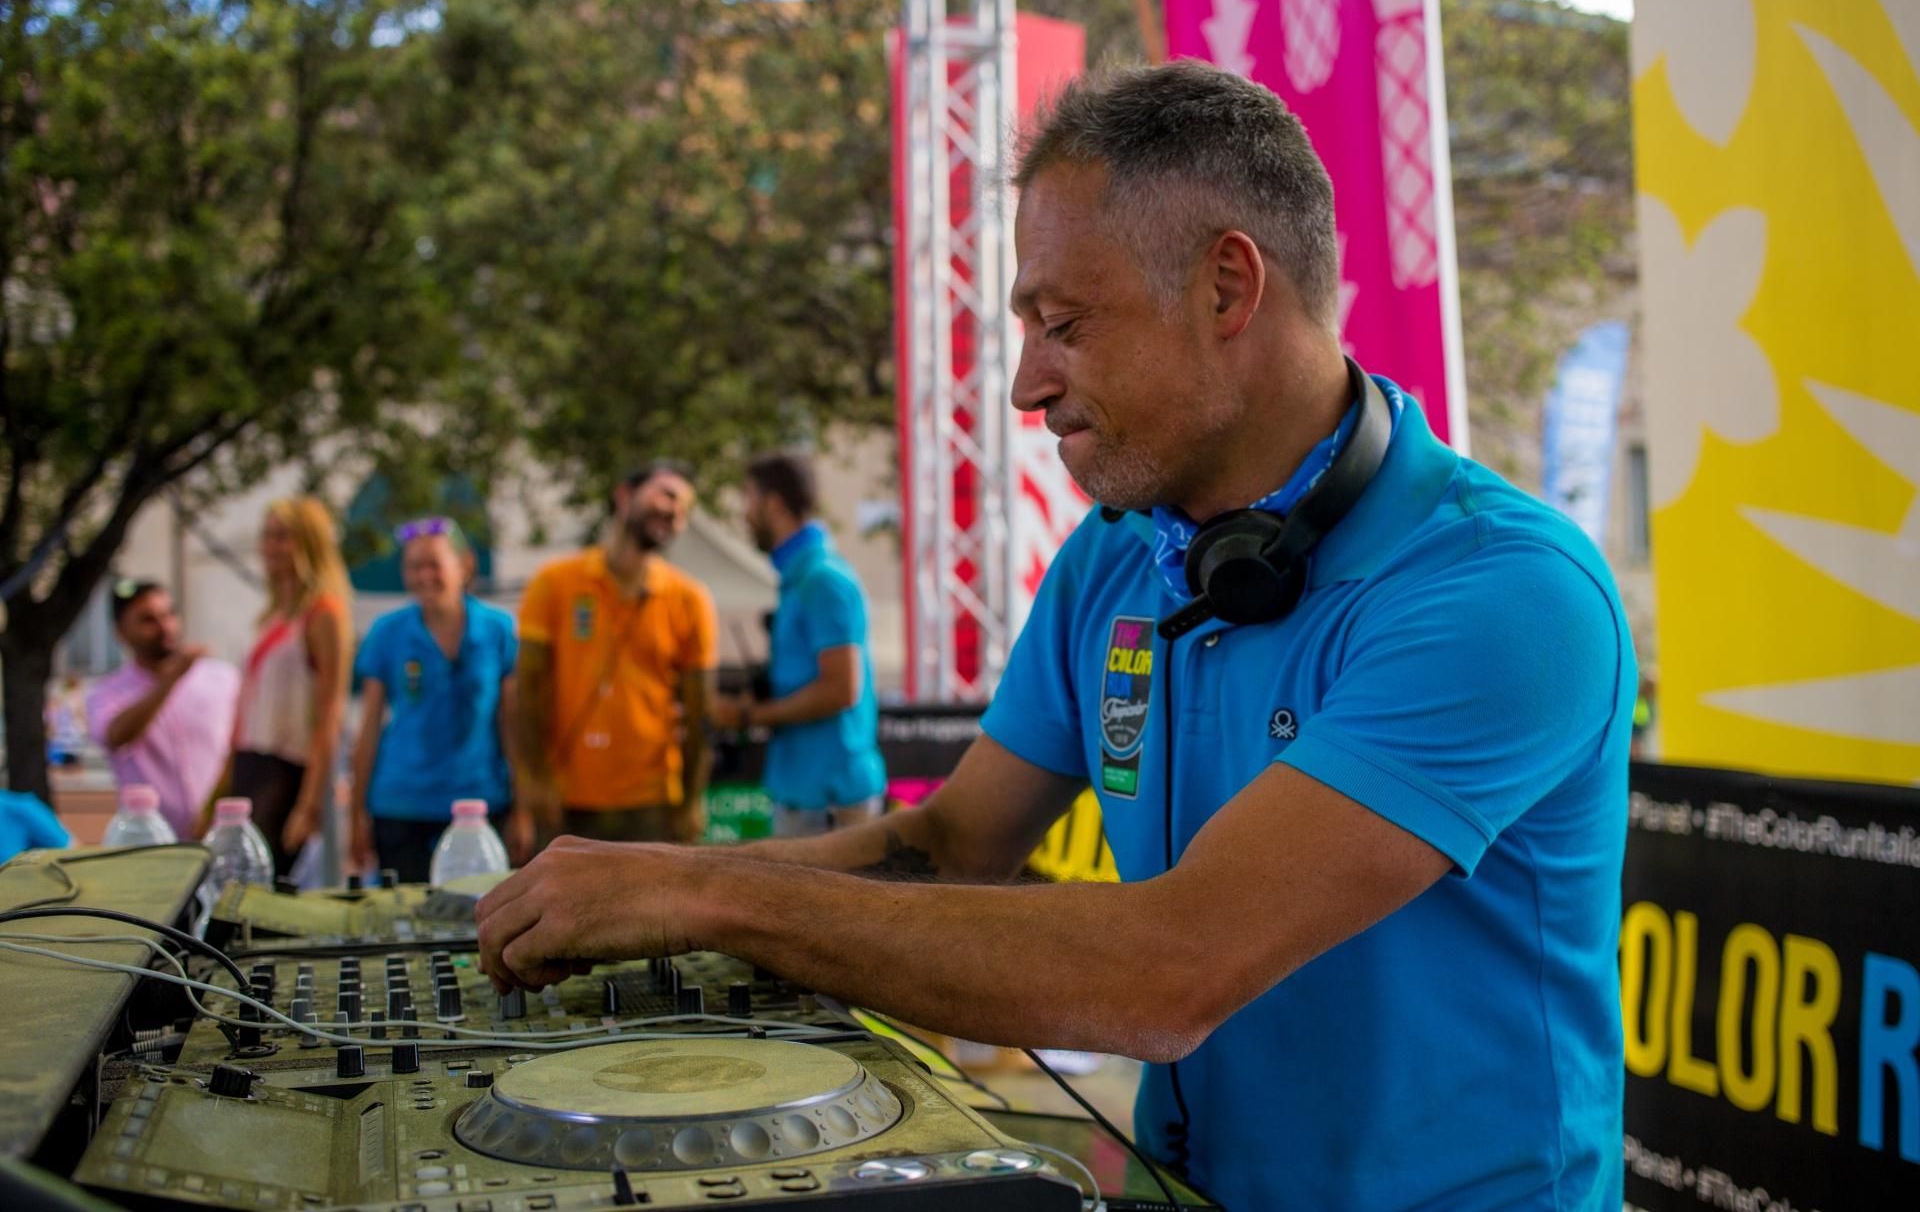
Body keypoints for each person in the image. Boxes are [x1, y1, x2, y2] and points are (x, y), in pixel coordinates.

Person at [475, 63, 1635, 1210]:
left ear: (1229, 287)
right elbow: (950, 844)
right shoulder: (1118, 555)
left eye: (1064, 324)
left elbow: (1170, 967)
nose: (1028, 386)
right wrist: (647, 888)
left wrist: (710, 898)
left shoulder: (1504, 592)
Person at [515, 461, 717, 845]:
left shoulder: (690, 598)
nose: (675, 512)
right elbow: (527, 689)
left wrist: (692, 800)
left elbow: (700, 712)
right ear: (624, 495)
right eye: (668, 495)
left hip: (652, 804)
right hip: (565, 799)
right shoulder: (554, 582)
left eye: (685, 510)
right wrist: (534, 777)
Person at [712, 451, 885, 837]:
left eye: (748, 499)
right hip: (810, 795)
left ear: (774, 505)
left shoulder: (823, 579)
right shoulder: (804, 576)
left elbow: (841, 688)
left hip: (829, 799)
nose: (744, 514)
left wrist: (749, 716)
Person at [349, 518, 522, 882]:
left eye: (434, 565)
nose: (424, 576)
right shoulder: (388, 632)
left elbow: (512, 723)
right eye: (414, 567)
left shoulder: (497, 630)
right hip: (402, 804)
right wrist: (355, 813)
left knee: (481, 909)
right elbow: (369, 729)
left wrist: (524, 808)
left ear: (465, 565)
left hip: (479, 803)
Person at [228, 496, 352, 874]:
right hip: (251, 759)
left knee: (267, 877)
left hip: (287, 766)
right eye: (266, 536)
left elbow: (330, 711)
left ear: (307, 543)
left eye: (282, 536)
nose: (270, 546)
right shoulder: (272, 616)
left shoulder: (324, 613)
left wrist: (309, 802)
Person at [85, 580, 241, 842]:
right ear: (121, 631)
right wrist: (170, 681)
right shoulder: (107, 692)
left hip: (220, 838)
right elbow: (115, 736)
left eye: (169, 614)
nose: (165, 627)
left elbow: (241, 748)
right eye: (148, 620)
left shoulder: (222, 679)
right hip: (150, 844)